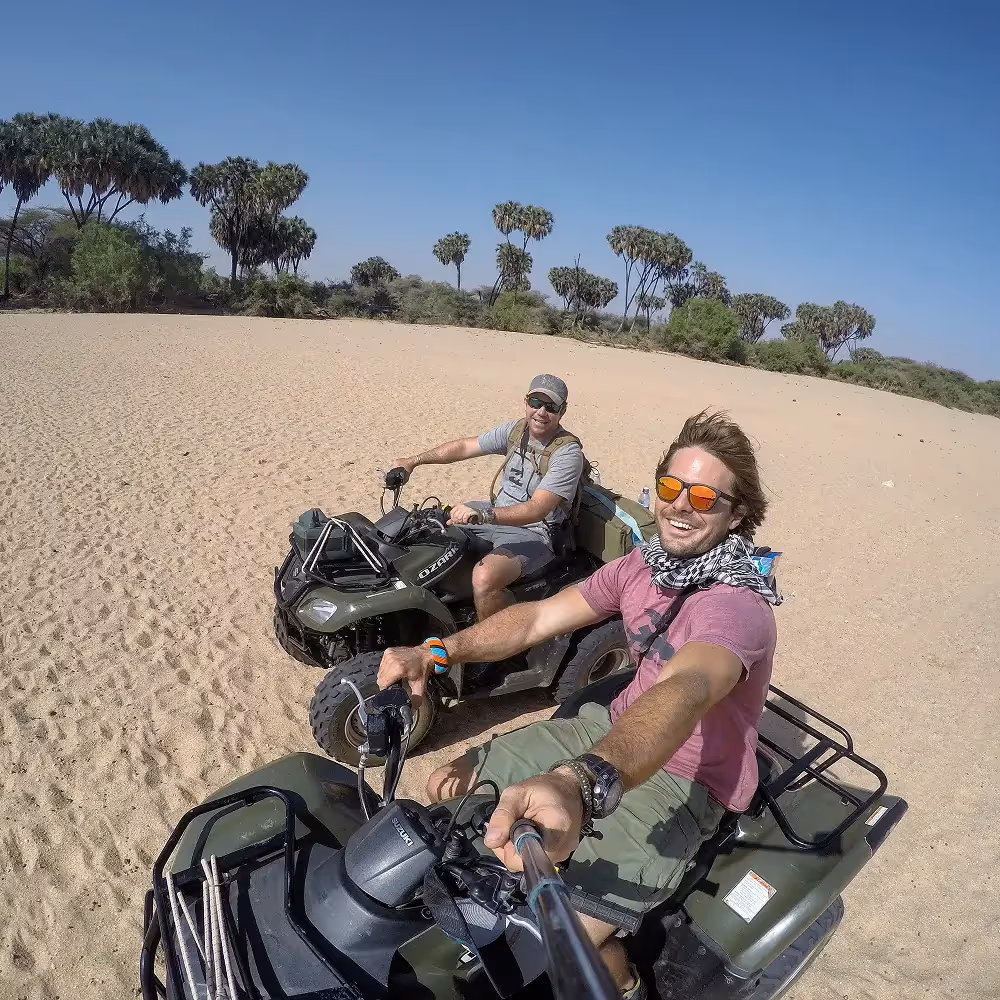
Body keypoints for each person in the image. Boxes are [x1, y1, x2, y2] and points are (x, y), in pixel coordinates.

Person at [378, 409, 781, 998]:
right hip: (607, 726)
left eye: (703, 495)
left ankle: (627, 984)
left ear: (737, 512)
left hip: (683, 781)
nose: (679, 505)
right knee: (447, 785)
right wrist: (437, 651)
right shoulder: (646, 566)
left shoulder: (737, 607)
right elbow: (539, 617)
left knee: (554, 934)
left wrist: (580, 780)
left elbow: (687, 688)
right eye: (670, 488)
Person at [390, 374, 585, 621]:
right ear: (525, 402)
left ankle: (497, 642)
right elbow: (464, 447)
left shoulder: (567, 453)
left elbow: (537, 509)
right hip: (494, 514)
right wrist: (413, 461)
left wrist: (484, 515)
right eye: (536, 402)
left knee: (485, 578)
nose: (541, 412)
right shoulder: (516, 431)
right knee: (426, 528)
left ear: (562, 411)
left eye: (551, 407)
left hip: (534, 531)